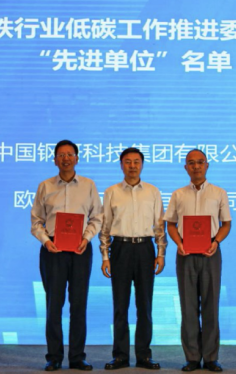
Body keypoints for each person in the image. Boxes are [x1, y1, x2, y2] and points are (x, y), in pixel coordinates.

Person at [31, 140, 103, 371]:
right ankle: (53, 357)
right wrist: (46, 241)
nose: (66, 159)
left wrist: (86, 238)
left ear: (77, 158)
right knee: (54, 304)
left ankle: (77, 357)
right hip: (53, 250)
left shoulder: (88, 185)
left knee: (78, 304)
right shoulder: (45, 186)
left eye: (70, 154)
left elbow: (97, 217)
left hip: (80, 249)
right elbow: (36, 221)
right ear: (55, 160)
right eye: (61, 155)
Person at [164, 149, 232, 372]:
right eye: (191, 163)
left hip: (210, 252)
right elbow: (171, 224)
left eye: (200, 162)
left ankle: (211, 357)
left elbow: (226, 224)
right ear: (186, 168)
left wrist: (216, 242)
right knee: (188, 306)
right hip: (185, 253)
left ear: (207, 165)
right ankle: (192, 357)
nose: (196, 166)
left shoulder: (219, 193)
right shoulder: (178, 194)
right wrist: (178, 243)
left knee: (211, 305)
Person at [99, 147, 166, 370]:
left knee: (144, 305)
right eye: (127, 162)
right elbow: (105, 227)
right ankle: (120, 356)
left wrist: (160, 253)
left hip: (145, 249)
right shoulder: (111, 192)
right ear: (121, 165)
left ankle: (144, 355)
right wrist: (105, 256)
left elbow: (159, 226)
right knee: (120, 305)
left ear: (142, 165)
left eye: (136, 161)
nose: (132, 166)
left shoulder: (153, 192)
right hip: (120, 249)